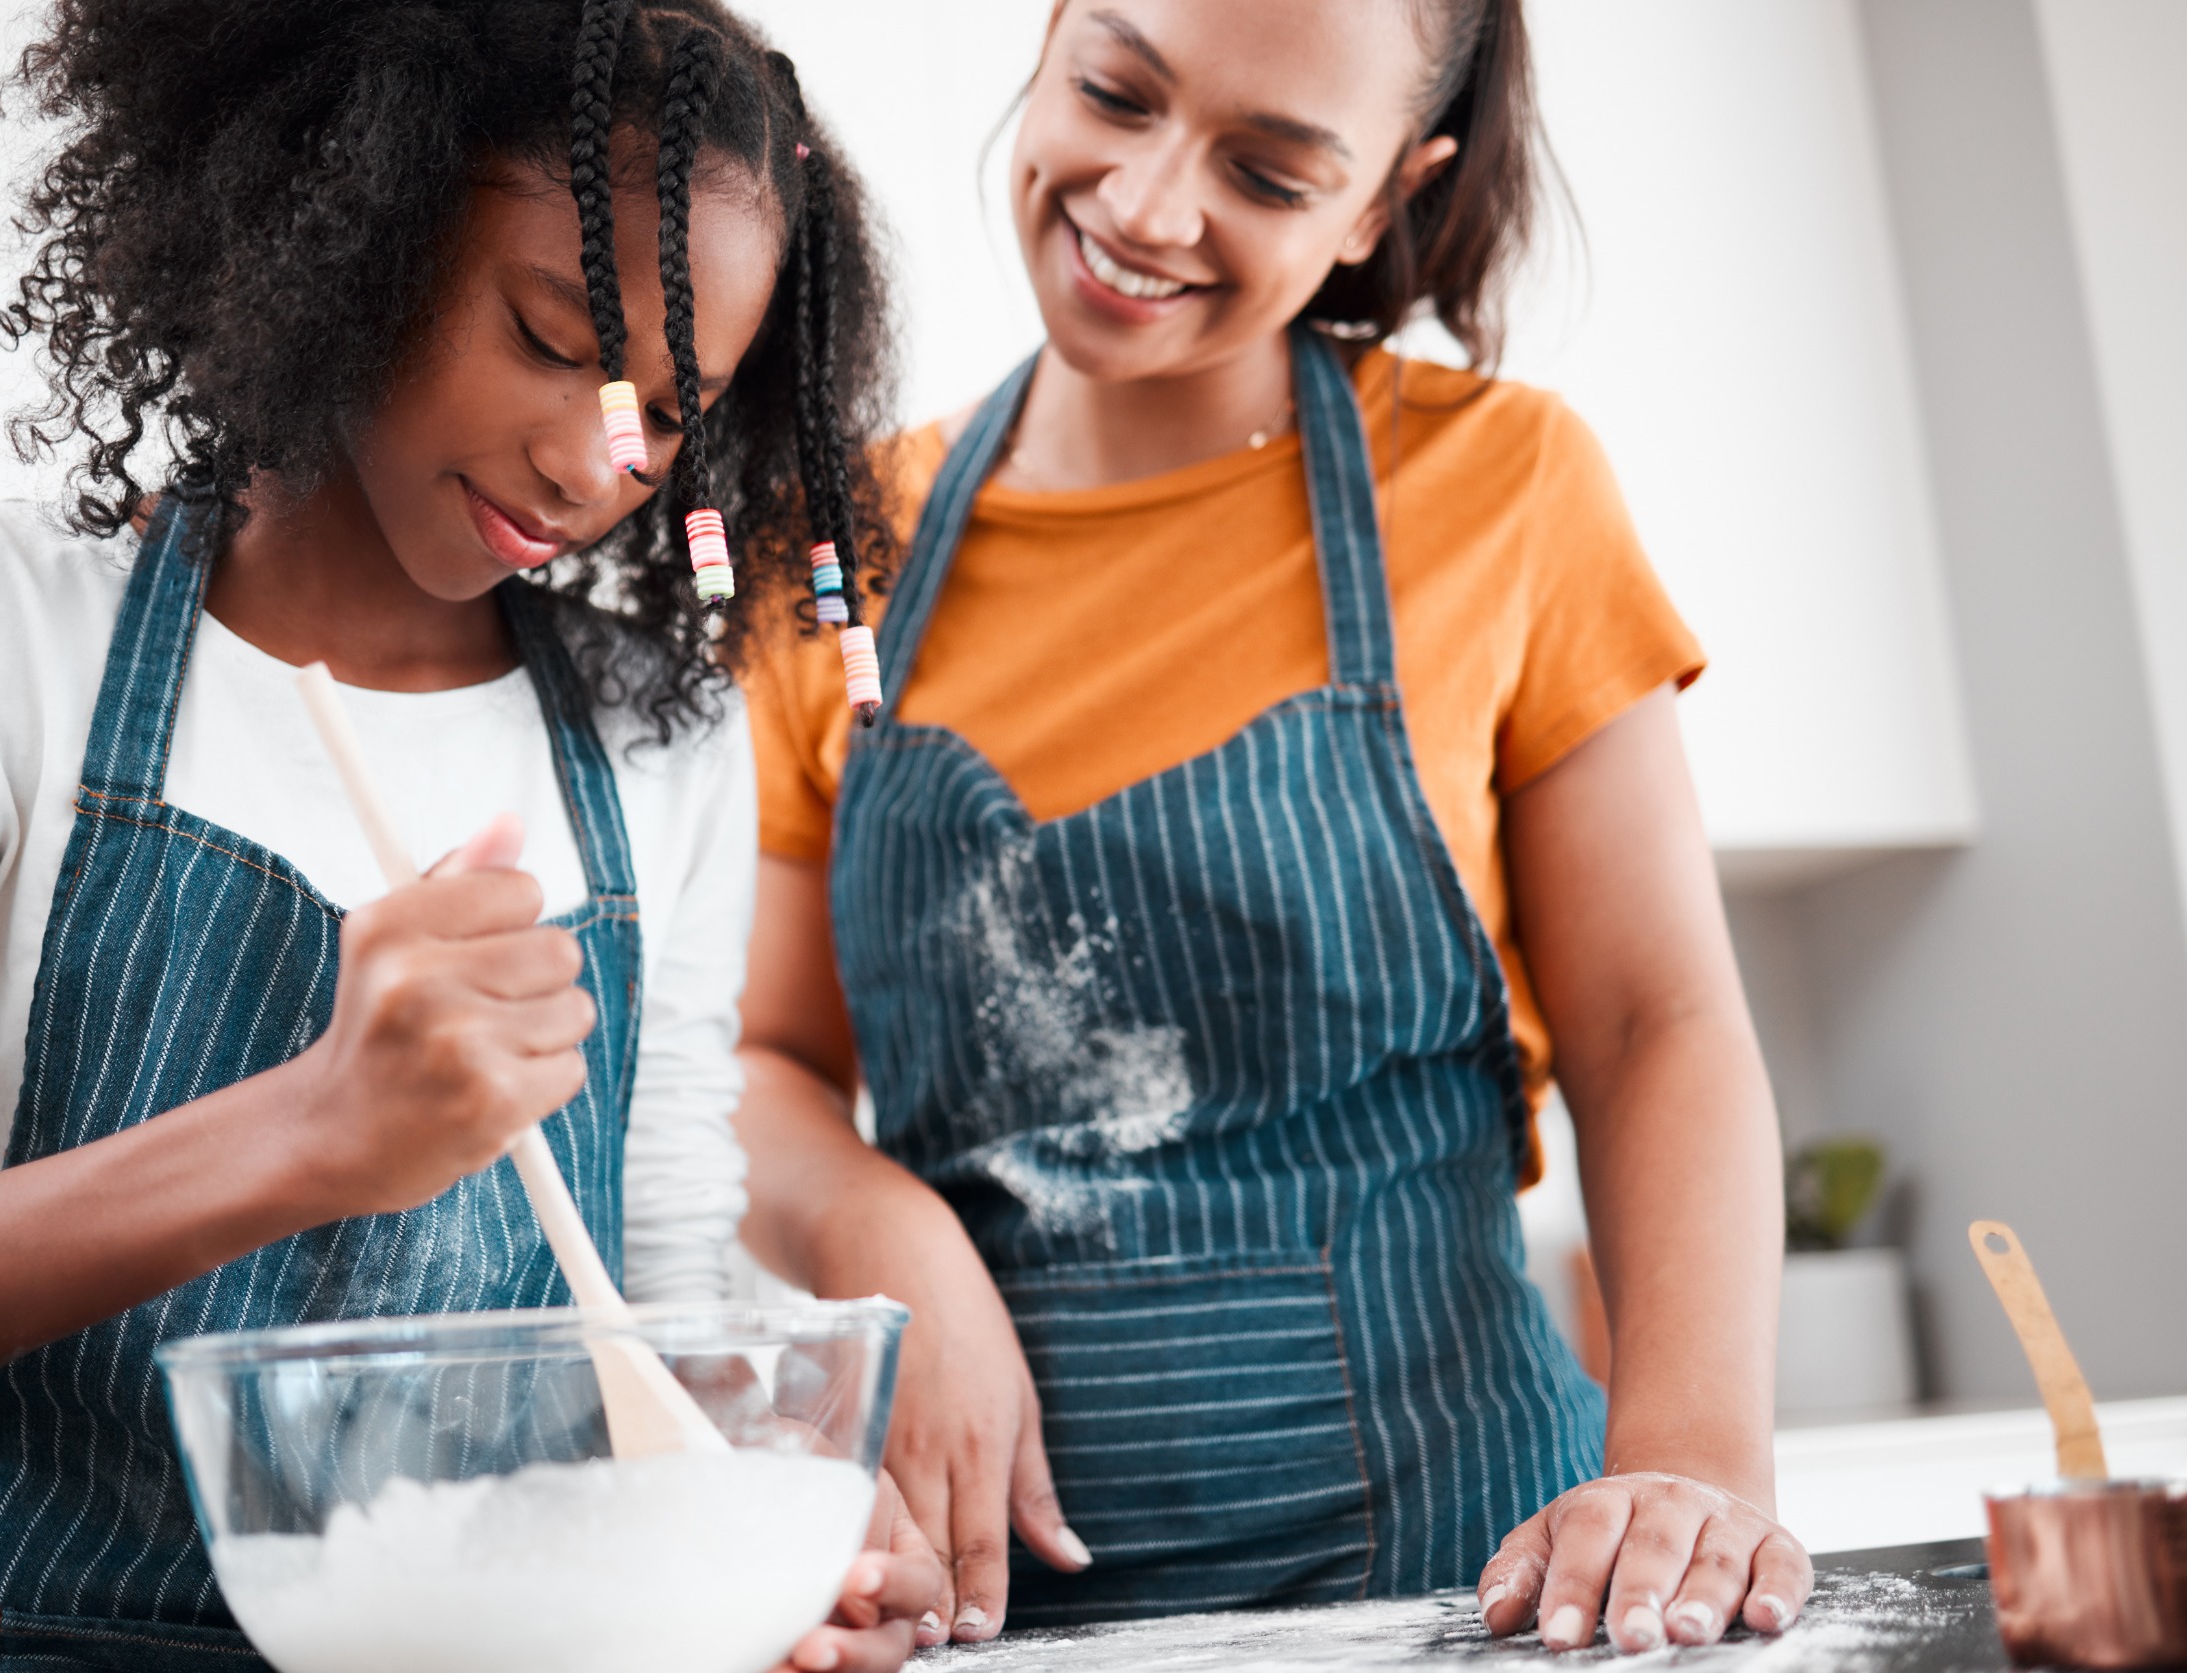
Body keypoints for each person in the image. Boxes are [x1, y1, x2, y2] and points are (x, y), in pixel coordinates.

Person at [0, 3, 933, 1669]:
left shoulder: (659, 744)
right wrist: (314, 1127)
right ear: (352, 217)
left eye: (662, 410)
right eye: (554, 336)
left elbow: (659, 1314)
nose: (589, 464)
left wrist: (773, 1537)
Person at [735, 0, 1812, 1653]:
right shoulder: (831, 552)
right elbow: (761, 1065)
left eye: (1272, 170)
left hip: (1476, 1575)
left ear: (1385, 199)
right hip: (993, 1604)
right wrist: (888, 1231)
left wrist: (1692, 1463)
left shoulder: (1503, 486)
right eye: (1114, 91)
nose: (1153, 209)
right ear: (1046, 44)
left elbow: (1653, 1024)